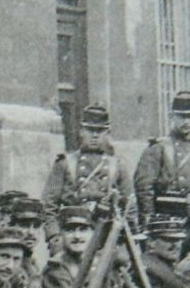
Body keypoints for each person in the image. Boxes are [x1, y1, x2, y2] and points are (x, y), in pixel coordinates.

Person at [41, 104, 136, 246]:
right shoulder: (65, 163)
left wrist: (127, 238)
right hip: (73, 235)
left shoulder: (118, 165)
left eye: (100, 131)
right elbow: (48, 203)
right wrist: (54, 235)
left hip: (107, 238)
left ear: (107, 133)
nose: (95, 135)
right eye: (90, 130)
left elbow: (130, 206)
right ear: (81, 131)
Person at [134, 91, 190, 222]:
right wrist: (150, 221)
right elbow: (144, 189)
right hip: (164, 223)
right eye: (181, 116)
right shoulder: (157, 149)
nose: (186, 121)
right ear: (172, 116)